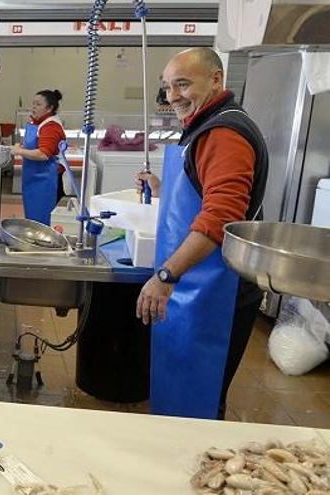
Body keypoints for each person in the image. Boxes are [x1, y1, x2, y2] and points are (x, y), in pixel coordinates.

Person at [134, 48, 268, 420]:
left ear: (215, 80)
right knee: (181, 396)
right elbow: (206, 193)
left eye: (182, 84)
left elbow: (220, 218)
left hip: (215, 294)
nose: (173, 95)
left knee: (198, 401)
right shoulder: (207, 126)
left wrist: (165, 276)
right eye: (167, 87)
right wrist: (164, 189)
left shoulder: (224, 133)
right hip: (195, 288)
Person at [11, 89, 66, 225]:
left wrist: (18, 151)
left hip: (45, 180)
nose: (33, 107)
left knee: (41, 222)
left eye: (38, 104)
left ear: (50, 108)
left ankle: (41, 245)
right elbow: (33, 145)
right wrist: (22, 147)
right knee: (33, 219)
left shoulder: (51, 126)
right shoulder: (38, 123)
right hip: (34, 178)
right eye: (33, 103)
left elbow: (43, 154)